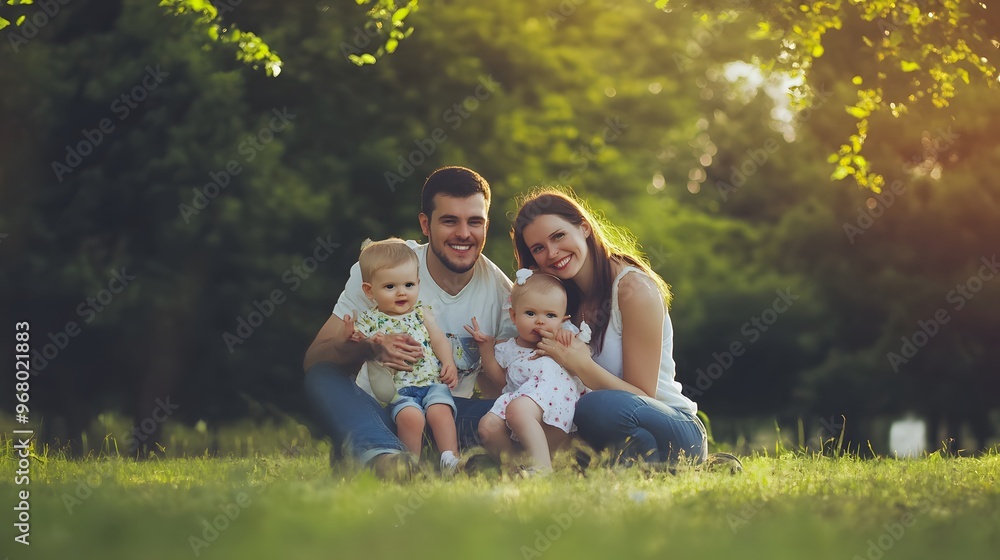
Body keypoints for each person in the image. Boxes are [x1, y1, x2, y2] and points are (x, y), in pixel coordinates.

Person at [303, 166, 516, 478]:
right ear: (425, 224)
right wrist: (368, 348)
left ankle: (406, 457)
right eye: (449, 221)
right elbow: (314, 357)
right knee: (321, 378)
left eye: (475, 222)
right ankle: (387, 457)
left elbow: (506, 384)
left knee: (517, 410)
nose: (464, 234)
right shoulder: (385, 269)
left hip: (446, 414)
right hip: (383, 411)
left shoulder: (502, 294)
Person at [511, 188, 709, 467]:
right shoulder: (556, 304)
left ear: (584, 228)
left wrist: (581, 365)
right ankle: (623, 466)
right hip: (596, 428)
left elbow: (641, 398)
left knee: (596, 407)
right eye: (539, 248)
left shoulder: (633, 289)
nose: (553, 253)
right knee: (493, 415)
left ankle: (651, 463)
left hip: (671, 426)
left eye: (558, 236)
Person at [349, 237, 461, 474]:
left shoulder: (422, 313)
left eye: (409, 285)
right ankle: (410, 465)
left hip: (432, 383)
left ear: (418, 283)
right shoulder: (371, 319)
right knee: (411, 418)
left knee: (441, 411)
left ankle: (451, 459)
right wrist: (364, 340)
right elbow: (361, 346)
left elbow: (438, 338)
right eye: (390, 287)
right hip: (399, 390)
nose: (401, 293)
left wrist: (448, 362)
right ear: (370, 291)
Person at [465, 269, 589, 474]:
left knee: (517, 409)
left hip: (557, 416)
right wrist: (486, 350)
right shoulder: (508, 349)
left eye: (550, 315)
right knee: (487, 426)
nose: (540, 321)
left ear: (563, 319)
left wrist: (567, 335)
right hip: (521, 411)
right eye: (530, 313)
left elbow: (581, 360)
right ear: (513, 316)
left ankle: (543, 471)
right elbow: (501, 382)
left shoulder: (562, 339)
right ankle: (516, 471)